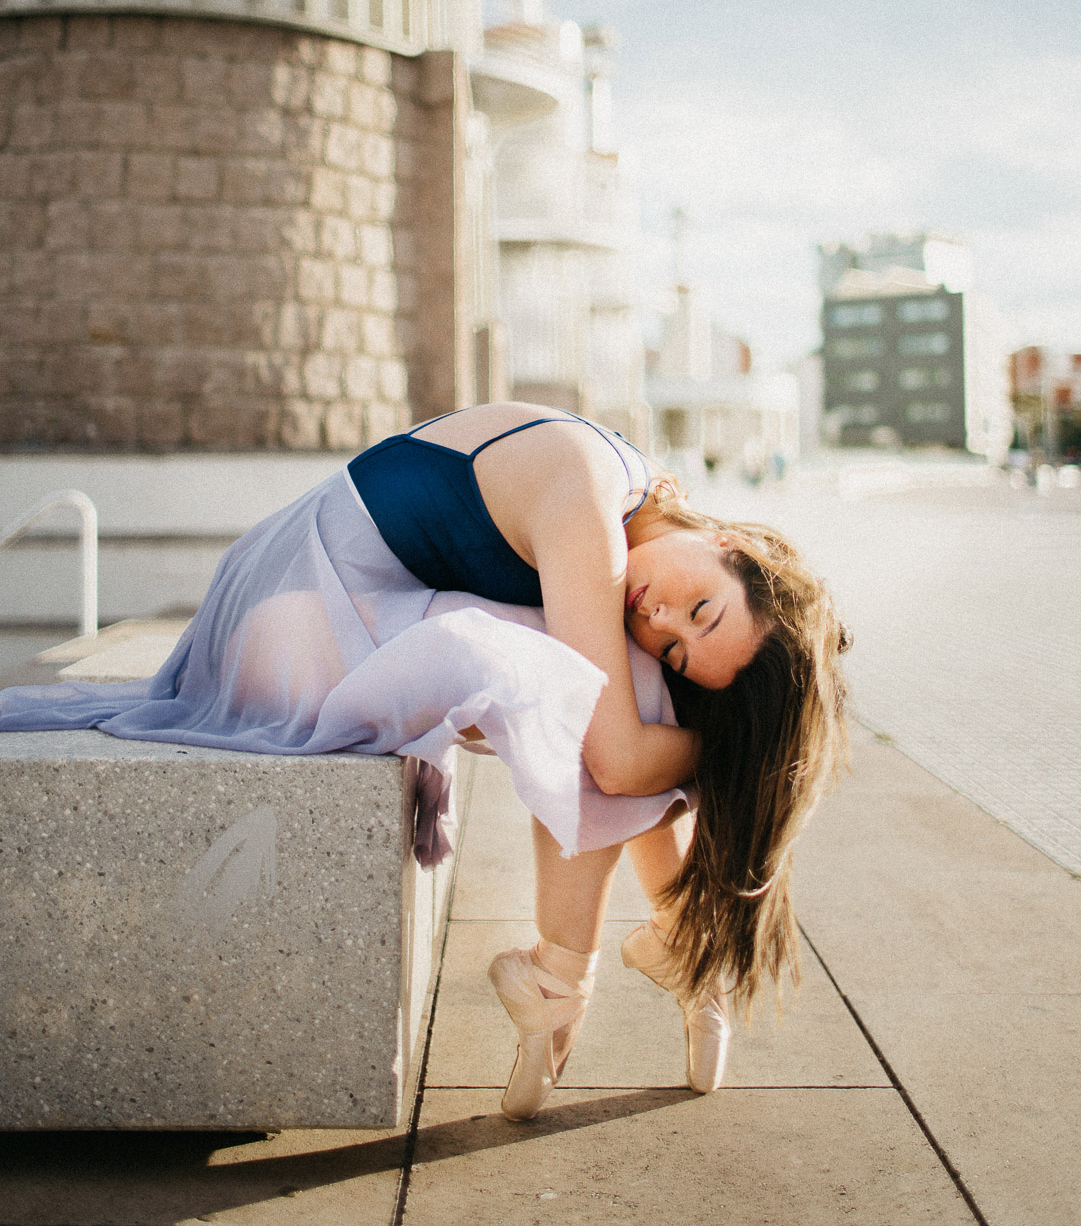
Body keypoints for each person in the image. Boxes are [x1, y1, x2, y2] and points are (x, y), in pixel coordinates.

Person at [0, 402, 848, 1121]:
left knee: (614, 683)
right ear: (736, 542)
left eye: (680, 644)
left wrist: (695, 722)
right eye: (700, 606)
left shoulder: (634, 504)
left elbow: (624, 736)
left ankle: (639, 950)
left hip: (314, 613)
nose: (661, 616)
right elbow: (622, 760)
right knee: (601, 693)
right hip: (297, 626)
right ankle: (599, 962)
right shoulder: (590, 503)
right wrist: (728, 750)